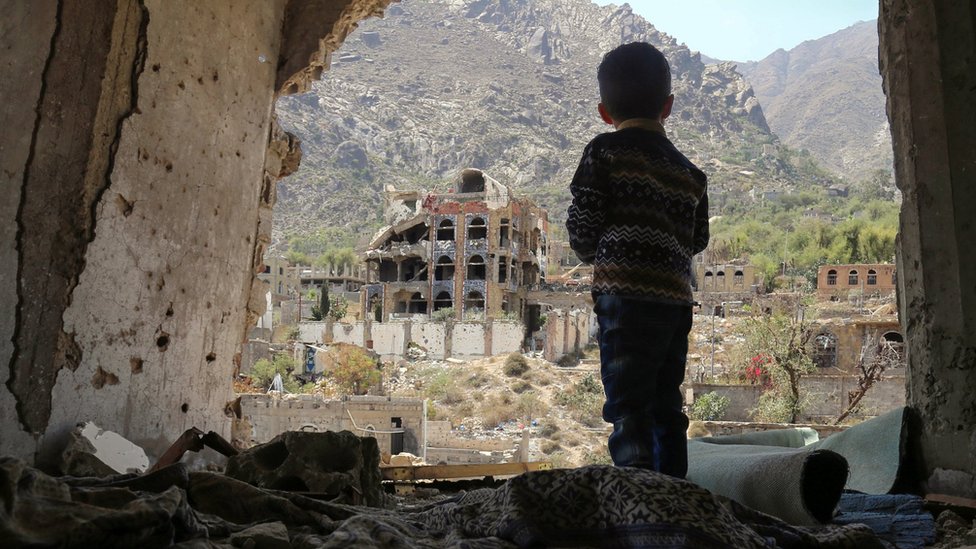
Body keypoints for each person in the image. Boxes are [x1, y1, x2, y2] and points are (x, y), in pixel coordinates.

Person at [566, 42, 709, 478]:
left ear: (603, 112)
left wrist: (602, 254)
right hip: (674, 304)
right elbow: (697, 240)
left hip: (624, 303)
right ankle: (675, 499)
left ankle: (639, 499)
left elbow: (583, 230)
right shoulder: (691, 174)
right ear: (668, 106)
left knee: (628, 407)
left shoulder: (603, 153)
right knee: (667, 405)